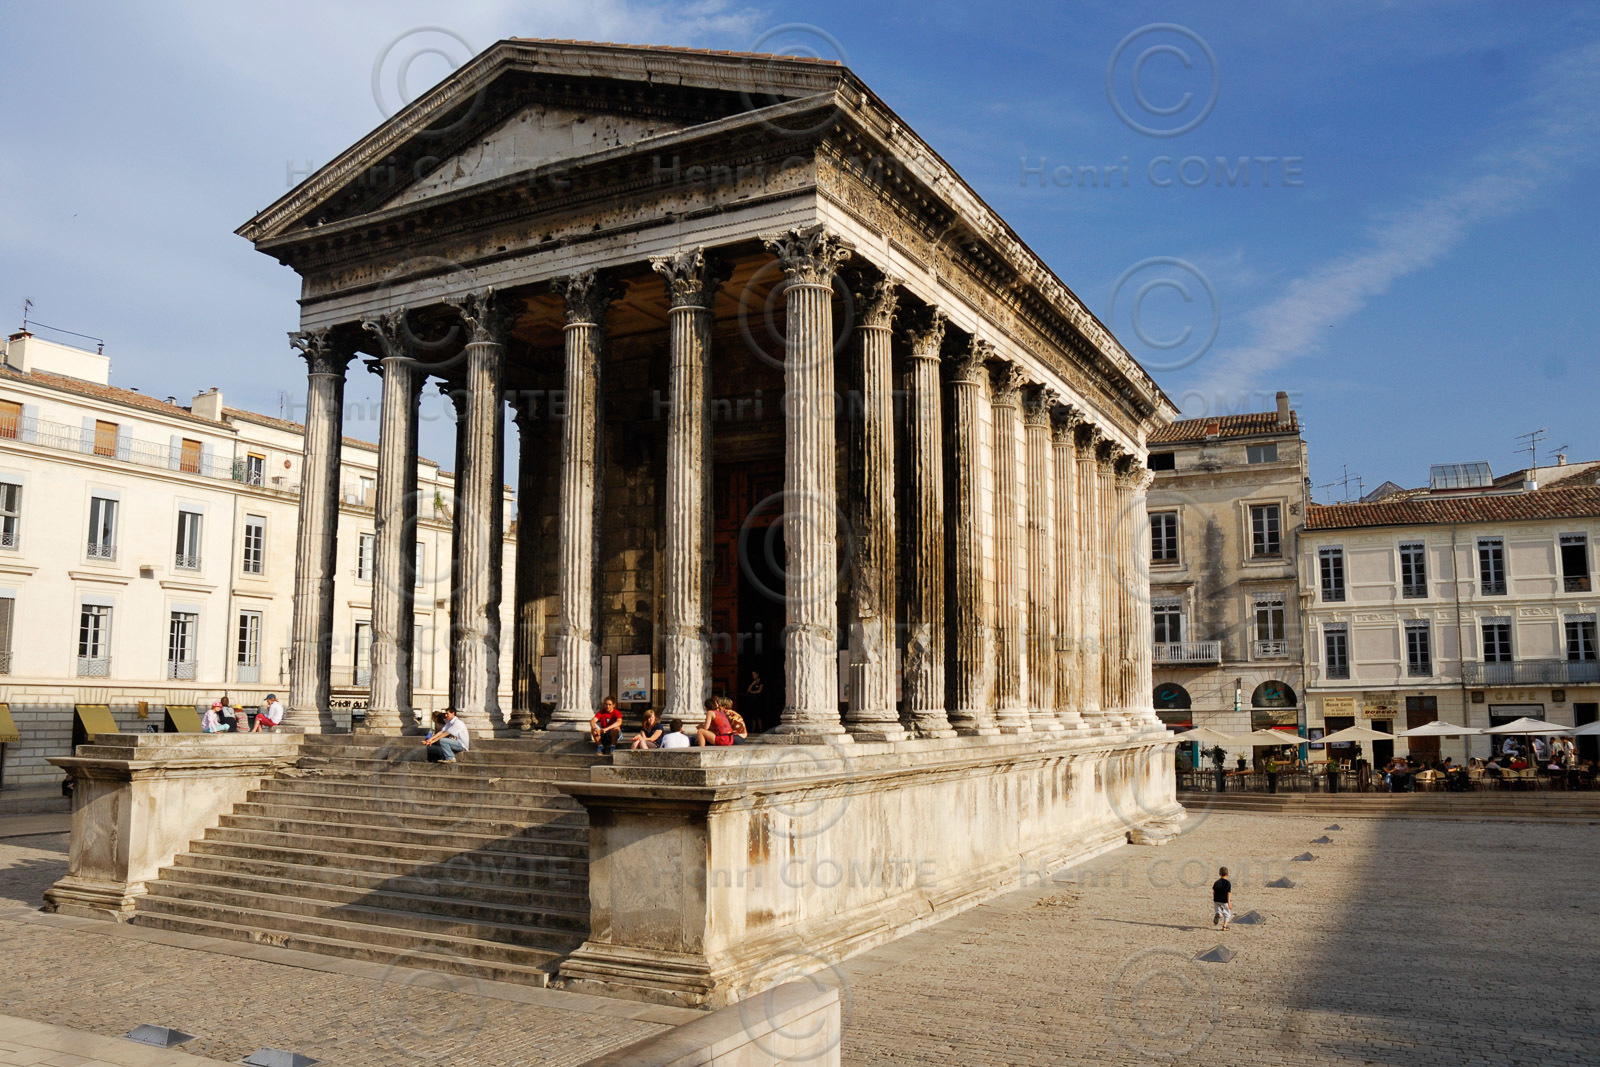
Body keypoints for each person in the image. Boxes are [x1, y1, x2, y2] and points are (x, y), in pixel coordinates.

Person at [1212, 867, 1232, 932]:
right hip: (1224, 901)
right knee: (1227, 914)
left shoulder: (1216, 882)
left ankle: (1219, 914)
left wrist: (1214, 898)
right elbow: (1228, 893)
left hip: (1216, 900)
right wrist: (1229, 902)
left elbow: (1214, 892)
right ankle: (1224, 926)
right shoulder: (1227, 883)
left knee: (1218, 910)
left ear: (1219, 874)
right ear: (1227, 874)